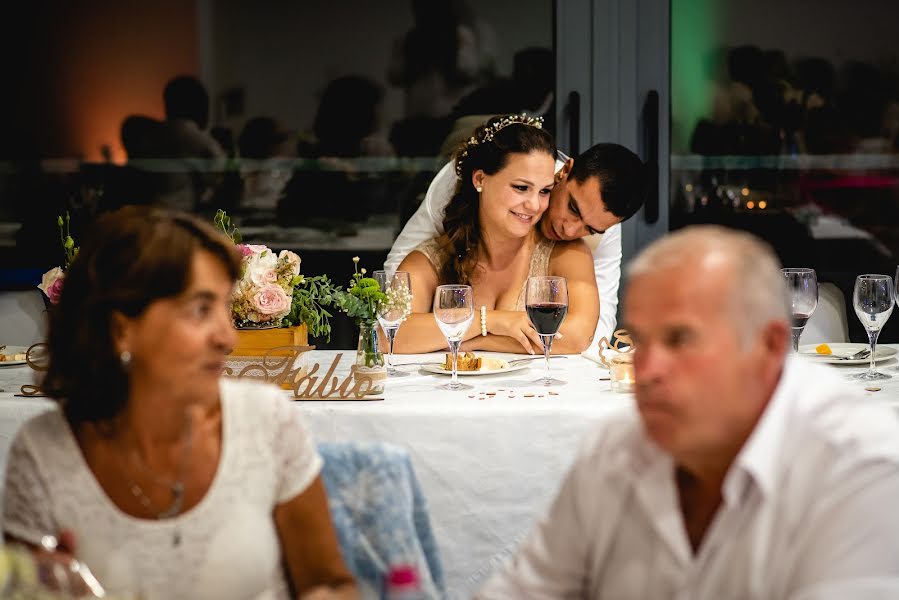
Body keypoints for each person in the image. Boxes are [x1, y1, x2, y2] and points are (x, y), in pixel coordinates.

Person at [477, 225, 899, 598]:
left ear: (769, 348)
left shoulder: (858, 465)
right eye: (639, 339)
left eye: (681, 339)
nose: (649, 369)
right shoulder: (618, 447)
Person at [3, 207, 357, 600]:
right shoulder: (43, 454)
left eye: (225, 307)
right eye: (201, 309)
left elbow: (330, 584)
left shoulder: (267, 419)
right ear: (121, 329)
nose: (228, 337)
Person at [386, 140, 647, 344]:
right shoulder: (456, 185)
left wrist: (466, 342)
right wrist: (492, 323)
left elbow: (588, 332)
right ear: (564, 172)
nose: (569, 229)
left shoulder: (594, 236)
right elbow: (394, 310)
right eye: (573, 208)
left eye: (589, 229)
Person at [392, 114, 599, 355]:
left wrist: (471, 341)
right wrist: (491, 321)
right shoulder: (431, 259)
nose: (534, 205)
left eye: (544, 191)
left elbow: (576, 337)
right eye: (521, 188)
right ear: (480, 179)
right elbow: (389, 335)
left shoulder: (567, 255)